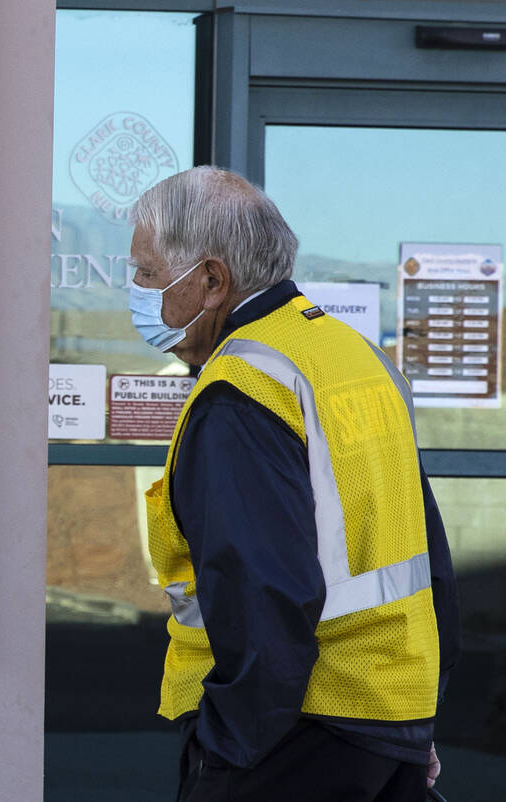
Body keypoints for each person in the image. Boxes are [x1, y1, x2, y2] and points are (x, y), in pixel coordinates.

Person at [128, 166, 460, 801]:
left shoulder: (243, 389)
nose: (138, 290)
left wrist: (228, 751)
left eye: (147, 272)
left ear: (211, 280)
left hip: (295, 734)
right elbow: (430, 557)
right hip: (389, 721)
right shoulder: (356, 356)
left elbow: (261, 589)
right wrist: (418, 722)